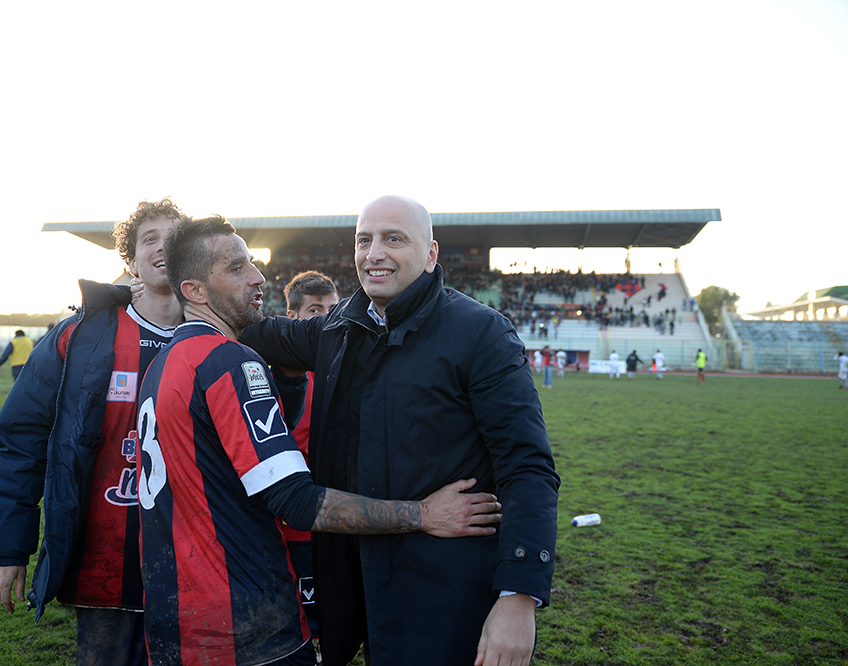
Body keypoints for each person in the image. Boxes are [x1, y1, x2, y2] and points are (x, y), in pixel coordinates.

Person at [139, 216, 502, 666]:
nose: (258, 276)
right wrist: (424, 514)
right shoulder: (228, 362)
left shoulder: (161, 363)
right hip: (241, 622)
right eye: (236, 269)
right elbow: (297, 501)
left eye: (251, 262)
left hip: (175, 616)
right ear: (194, 291)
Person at [241, 195, 559, 666]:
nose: (375, 253)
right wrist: (157, 298)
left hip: (444, 589)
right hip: (355, 583)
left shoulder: (481, 334)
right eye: (364, 239)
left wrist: (519, 597)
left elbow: (527, 467)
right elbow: (259, 332)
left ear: (431, 254)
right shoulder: (338, 327)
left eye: (394, 239)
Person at [0, 199, 190, 666]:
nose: (161, 248)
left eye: (174, 239)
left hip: (194, 562)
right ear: (130, 260)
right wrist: (5, 549)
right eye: (149, 239)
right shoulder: (77, 336)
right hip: (104, 561)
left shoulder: (223, 336)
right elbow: (19, 440)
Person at [279, 270, 340, 637]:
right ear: (293, 319)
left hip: (346, 518)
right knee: (303, 625)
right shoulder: (279, 377)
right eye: (316, 310)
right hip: (296, 528)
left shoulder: (347, 369)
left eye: (333, 308)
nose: (327, 318)